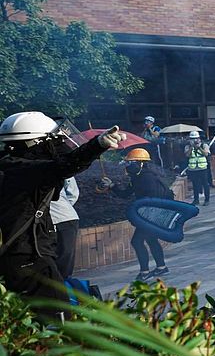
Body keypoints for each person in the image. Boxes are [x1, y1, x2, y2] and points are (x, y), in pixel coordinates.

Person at [0, 113, 123, 304]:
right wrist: (97, 145)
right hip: (29, 259)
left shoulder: (11, 165)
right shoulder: (22, 170)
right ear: (35, 143)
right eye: (55, 141)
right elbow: (64, 166)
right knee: (57, 319)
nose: (59, 147)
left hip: (20, 257)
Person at [105, 147, 175, 281]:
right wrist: (112, 185)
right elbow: (126, 194)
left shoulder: (147, 178)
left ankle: (144, 272)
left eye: (131, 163)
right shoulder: (137, 177)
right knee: (151, 239)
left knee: (137, 241)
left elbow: (153, 200)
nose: (128, 166)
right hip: (149, 214)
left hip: (152, 214)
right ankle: (161, 267)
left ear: (141, 163)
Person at [50, 176, 81, 279]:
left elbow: (72, 194)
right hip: (61, 218)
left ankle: (63, 289)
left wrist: (62, 207)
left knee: (63, 260)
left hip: (63, 218)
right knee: (62, 258)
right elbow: (72, 193)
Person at [182, 130, 211, 206]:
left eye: (195, 138)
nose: (194, 140)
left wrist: (199, 148)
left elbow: (206, 154)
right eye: (192, 138)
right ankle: (196, 200)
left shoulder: (204, 145)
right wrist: (192, 147)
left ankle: (207, 200)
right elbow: (187, 155)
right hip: (193, 169)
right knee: (195, 185)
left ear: (199, 138)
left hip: (202, 168)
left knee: (205, 184)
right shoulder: (187, 146)